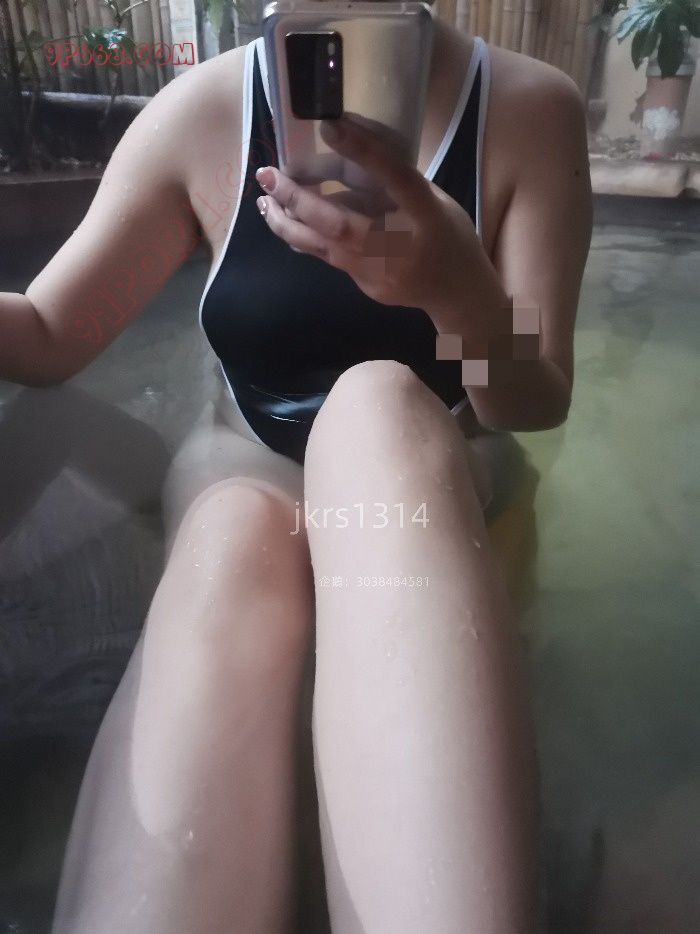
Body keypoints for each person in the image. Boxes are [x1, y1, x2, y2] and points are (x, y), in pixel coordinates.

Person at [0, 4, 592, 931]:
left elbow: (533, 399)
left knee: (378, 409)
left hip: (438, 462)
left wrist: (456, 291)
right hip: (251, 459)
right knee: (237, 533)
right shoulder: (200, 114)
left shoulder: (529, 110)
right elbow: (51, 333)